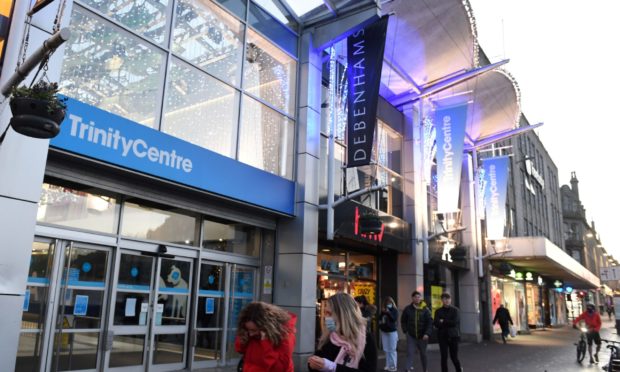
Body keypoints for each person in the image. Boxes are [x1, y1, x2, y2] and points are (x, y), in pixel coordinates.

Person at [308, 292, 377, 371]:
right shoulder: (328, 335)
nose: (325, 317)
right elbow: (317, 363)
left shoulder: (366, 339)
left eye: (329, 313)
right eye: (325, 312)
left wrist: (332, 367)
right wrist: (313, 363)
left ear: (343, 315)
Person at [234, 301, 296, 371]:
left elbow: (281, 368)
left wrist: (266, 343)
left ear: (266, 327)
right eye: (248, 329)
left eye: (254, 330)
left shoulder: (285, 335)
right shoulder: (250, 332)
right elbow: (239, 349)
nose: (251, 334)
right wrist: (243, 336)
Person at [401, 291, 432, 372]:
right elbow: (403, 320)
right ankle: (407, 369)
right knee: (410, 353)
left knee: (423, 354)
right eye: (415, 297)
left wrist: (427, 333)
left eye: (419, 297)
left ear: (420, 298)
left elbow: (430, 322)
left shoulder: (425, 309)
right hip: (411, 335)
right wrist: (405, 331)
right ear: (412, 298)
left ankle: (425, 370)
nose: (417, 298)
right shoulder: (408, 309)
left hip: (423, 336)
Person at [433, 292, 463, 372]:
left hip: (453, 336)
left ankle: (459, 369)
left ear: (451, 300)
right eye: (444, 299)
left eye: (448, 299)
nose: (446, 300)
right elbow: (436, 323)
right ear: (442, 300)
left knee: (454, 356)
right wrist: (445, 322)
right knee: (444, 357)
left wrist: (443, 321)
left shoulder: (455, 310)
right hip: (442, 336)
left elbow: (455, 323)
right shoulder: (438, 311)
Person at [378, 296, 399, 371]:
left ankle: (393, 366)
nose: (388, 304)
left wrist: (388, 313)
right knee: (386, 349)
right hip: (384, 332)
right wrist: (383, 313)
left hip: (392, 332)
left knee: (392, 349)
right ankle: (388, 365)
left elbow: (394, 319)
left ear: (392, 303)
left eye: (390, 303)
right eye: (387, 303)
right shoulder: (383, 311)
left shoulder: (394, 310)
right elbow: (379, 319)